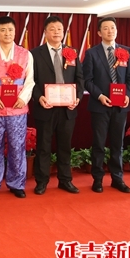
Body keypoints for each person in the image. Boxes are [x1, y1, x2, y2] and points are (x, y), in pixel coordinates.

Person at [0, 16, 35, 199]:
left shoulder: (25, 54)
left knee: (17, 146)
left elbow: (30, 80)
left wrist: (23, 98)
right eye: (3, 30)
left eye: (10, 30)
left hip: (17, 109)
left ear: (15, 32)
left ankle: (16, 183)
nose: (7, 33)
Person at [30, 16, 84, 195]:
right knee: (43, 147)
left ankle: (65, 180)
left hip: (67, 109)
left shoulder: (72, 52)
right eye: (52, 29)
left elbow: (80, 78)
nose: (56, 32)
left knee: (65, 146)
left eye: (59, 29)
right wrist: (39, 97)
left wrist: (77, 97)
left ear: (64, 32)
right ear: (45, 32)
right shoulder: (35, 54)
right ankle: (42, 181)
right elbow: (31, 81)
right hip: (45, 107)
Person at [82, 17, 130, 194]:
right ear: (99, 32)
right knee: (99, 143)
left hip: (120, 106)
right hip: (100, 106)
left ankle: (117, 178)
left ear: (116, 30)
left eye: (113, 27)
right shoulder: (92, 53)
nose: (110, 31)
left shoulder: (126, 51)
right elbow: (87, 80)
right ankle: (97, 179)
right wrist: (100, 96)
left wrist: (128, 94)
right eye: (105, 28)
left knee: (117, 144)